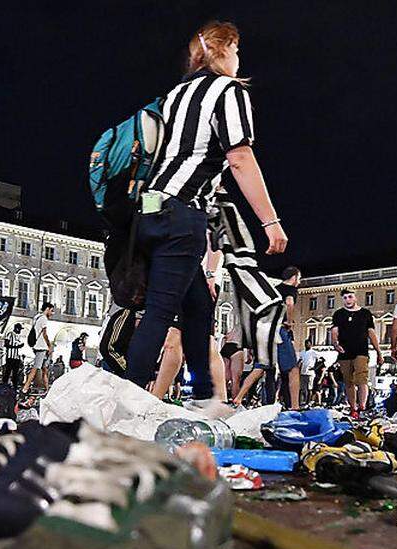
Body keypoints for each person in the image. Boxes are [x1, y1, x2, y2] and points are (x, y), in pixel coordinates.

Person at [124, 21, 288, 395]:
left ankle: (205, 398)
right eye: (236, 50)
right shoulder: (227, 90)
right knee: (161, 312)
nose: (238, 57)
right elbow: (240, 157)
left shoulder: (174, 95)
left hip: (149, 207)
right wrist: (270, 221)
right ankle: (127, 401)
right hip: (180, 209)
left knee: (198, 304)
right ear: (224, 49)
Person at [232, 267, 300, 407]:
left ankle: (238, 398)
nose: (299, 282)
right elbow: (289, 303)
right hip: (278, 330)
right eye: (299, 278)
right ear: (294, 278)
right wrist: (289, 321)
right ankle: (295, 406)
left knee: (260, 367)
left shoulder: (273, 289)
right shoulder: (290, 290)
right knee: (293, 369)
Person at [330, 288, 380, 417]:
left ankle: (362, 406)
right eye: (345, 297)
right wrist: (336, 344)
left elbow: (371, 333)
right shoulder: (339, 314)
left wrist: (378, 351)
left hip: (361, 351)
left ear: (356, 298)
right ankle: (353, 407)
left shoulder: (365, 313)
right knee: (348, 381)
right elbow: (334, 331)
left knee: (362, 378)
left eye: (350, 297)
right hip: (344, 352)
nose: (348, 300)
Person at [22, 302, 55, 393]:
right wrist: (49, 346)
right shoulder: (44, 318)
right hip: (41, 346)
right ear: (47, 309)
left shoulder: (37, 317)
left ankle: (47, 389)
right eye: (51, 311)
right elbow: (44, 334)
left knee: (44, 369)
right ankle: (26, 387)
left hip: (37, 345)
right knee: (35, 367)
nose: (52, 313)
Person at [1, 322, 25, 389]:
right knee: (7, 372)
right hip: (10, 357)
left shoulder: (18, 336)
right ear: (17, 329)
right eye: (20, 329)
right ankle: (4, 386)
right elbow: (6, 344)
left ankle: (15, 387)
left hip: (16, 357)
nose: (20, 331)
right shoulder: (10, 334)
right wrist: (17, 347)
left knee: (15, 374)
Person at [298, 340, 319, 406]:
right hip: (303, 372)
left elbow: (322, 360)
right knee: (302, 388)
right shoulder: (302, 353)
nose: (307, 345)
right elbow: (300, 361)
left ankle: (308, 402)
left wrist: (315, 368)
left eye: (308, 344)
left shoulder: (313, 352)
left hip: (310, 373)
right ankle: (300, 402)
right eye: (306, 344)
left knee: (309, 388)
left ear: (311, 345)